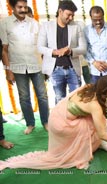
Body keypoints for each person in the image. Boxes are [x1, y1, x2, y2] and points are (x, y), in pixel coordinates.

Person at [0, 75, 107, 170]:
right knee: (94, 128)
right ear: (105, 90)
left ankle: (82, 143)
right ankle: (79, 152)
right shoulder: (95, 105)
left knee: (99, 123)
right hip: (62, 125)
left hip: (56, 115)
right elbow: (102, 134)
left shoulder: (89, 87)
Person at [0, 0, 49, 134]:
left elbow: (42, 46)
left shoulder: (34, 24)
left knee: (43, 96)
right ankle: (30, 123)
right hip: (17, 67)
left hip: (36, 65)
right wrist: (8, 71)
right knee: (24, 97)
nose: (23, 10)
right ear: (12, 7)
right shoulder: (4, 24)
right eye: (19, 7)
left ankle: (46, 122)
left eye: (25, 7)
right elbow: (4, 50)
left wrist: (46, 67)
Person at [37, 1, 87, 104]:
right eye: (68, 15)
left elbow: (83, 48)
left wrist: (71, 51)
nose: (71, 18)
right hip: (55, 70)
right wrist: (55, 52)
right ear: (60, 11)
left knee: (76, 101)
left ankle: (76, 121)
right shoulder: (46, 26)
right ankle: (60, 120)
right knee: (60, 101)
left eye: (72, 15)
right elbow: (40, 47)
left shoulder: (76, 27)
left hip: (73, 69)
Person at [84, 6, 107, 122]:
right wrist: (94, 62)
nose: (98, 22)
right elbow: (85, 50)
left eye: (100, 19)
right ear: (91, 18)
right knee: (97, 98)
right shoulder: (86, 30)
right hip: (94, 71)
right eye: (95, 20)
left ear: (103, 17)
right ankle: (101, 122)